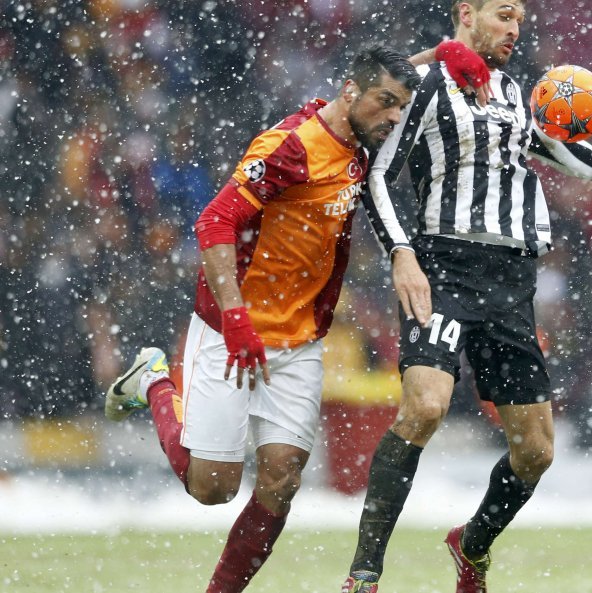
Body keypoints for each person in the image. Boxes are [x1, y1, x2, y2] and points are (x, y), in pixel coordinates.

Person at [343, 2, 592, 592]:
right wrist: (401, 254)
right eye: (504, 15)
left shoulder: (509, 91)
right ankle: (364, 575)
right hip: (444, 269)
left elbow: (555, 149)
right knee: (425, 408)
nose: (514, 29)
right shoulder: (421, 85)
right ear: (466, 13)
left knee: (535, 451)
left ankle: (471, 545)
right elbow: (376, 173)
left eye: (521, 20)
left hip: (511, 283)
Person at [103, 45, 421, 593]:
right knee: (213, 489)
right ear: (351, 91)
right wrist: (235, 318)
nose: (394, 118)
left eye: (400, 108)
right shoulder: (289, 147)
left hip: (299, 342)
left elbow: (399, 74)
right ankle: (154, 380)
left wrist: (457, 51)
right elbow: (214, 222)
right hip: (234, 331)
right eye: (385, 104)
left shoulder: (362, 143)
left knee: (281, 479)